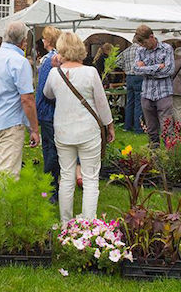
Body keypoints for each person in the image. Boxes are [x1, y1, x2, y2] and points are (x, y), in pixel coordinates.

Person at [43, 32, 115, 223]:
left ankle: (66, 223)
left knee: (66, 177)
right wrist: (109, 126)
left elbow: (47, 94)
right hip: (88, 131)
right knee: (90, 178)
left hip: (63, 131)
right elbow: (101, 103)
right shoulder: (90, 72)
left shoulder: (53, 73)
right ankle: (88, 224)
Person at [0, 22, 40, 215]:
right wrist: (34, 129)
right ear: (23, 42)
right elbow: (27, 99)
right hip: (10, 123)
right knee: (8, 174)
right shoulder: (19, 61)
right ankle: (3, 221)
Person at [133, 25, 174, 148]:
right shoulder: (140, 50)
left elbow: (169, 70)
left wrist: (144, 68)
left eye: (144, 42)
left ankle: (169, 154)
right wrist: (157, 67)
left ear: (151, 37)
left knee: (166, 126)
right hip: (147, 93)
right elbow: (135, 70)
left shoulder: (166, 49)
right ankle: (154, 152)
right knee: (151, 128)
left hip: (164, 93)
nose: (143, 46)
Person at [36, 26, 62, 203]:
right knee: (54, 150)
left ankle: (50, 189)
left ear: (49, 40)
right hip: (53, 111)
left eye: (44, 38)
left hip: (48, 111)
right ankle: (53, 187)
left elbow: (46, 89)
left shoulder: (49, 60)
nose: (42, 41)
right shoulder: (59, 57)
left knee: (50, 151)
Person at [116, 38, 144, 133]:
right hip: (139, 76)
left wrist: (125, 68)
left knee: (130, 102)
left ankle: (127, 126)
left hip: (129, 77)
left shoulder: (126, 51)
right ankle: (138, 128)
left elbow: (117, 61)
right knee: (138, 103)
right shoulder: (141, 50)